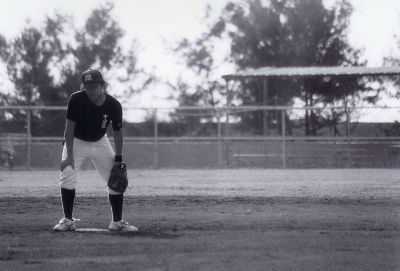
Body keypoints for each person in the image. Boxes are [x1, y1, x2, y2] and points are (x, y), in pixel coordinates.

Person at [53, 68, 138, 232]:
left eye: (94, 86)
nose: (90, 90)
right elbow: (69, 129)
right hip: (76, 141)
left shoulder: (114, 105)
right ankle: (68, 220)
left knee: (116, 179)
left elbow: (118, 132)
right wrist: (69, 156)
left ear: (103, 85)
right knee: (67, 173)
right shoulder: (76, 99)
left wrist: (118, 158)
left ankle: (117, 222)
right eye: (87, 86)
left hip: (100, 141)